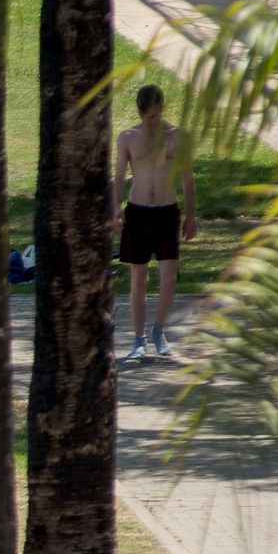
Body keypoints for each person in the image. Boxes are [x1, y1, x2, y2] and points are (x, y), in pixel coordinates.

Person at [116, 83, 199, 363]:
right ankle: (138, 340)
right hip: (138, 211)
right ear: (140, 113)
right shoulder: (128, 137)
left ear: (162, 109)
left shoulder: (178, 137)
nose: (151, 123)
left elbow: (187, 178)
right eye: (146, 117)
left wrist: (191, 215)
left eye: (155, 116)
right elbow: (118, 177)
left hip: (166, 211)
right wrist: (116, 207)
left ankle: (158, 330)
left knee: (169, 278)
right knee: (139, 280)